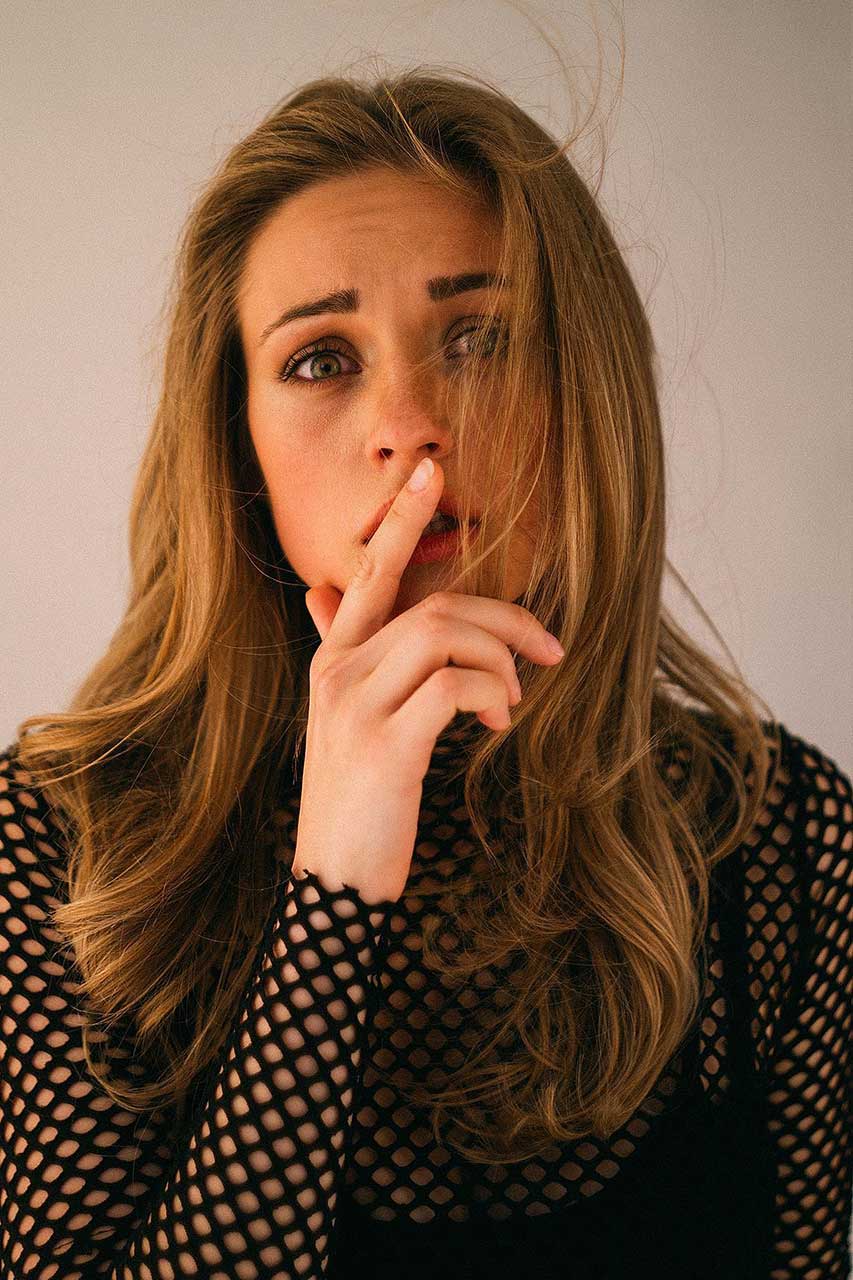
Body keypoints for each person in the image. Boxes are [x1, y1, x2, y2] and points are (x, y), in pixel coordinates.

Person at [1, 66, 850, 1280]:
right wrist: (335, 880)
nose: (407, 422)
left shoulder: (778, 835)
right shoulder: (62, 837)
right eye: (319, 359)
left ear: (585, 392)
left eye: (477, 336)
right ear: (236, 447)